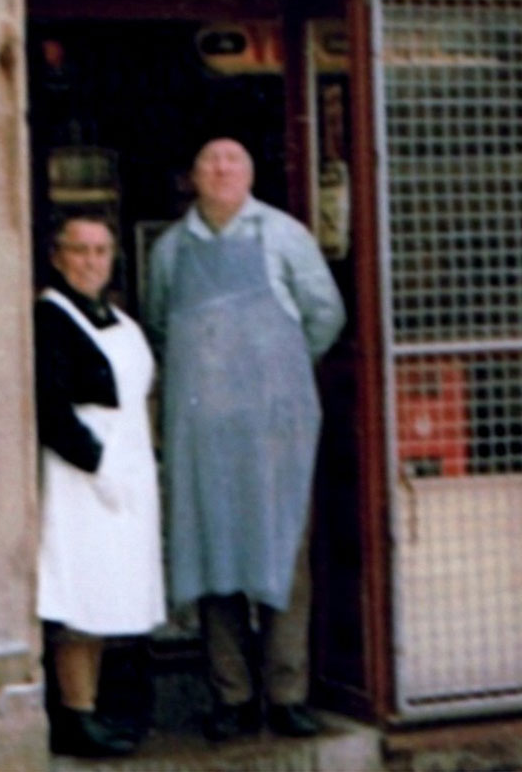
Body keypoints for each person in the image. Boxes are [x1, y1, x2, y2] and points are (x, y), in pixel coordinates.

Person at [144, 138, 347, 742]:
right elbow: (160, 326)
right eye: (210, 161)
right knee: (214, 558)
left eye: (232, 161)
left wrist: (281, 380)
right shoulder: (170, 250)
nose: (221, 169)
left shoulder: (285, 236)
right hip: (203, 434)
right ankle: (230, 696)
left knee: (283, 553)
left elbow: (326, 314)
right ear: (193, 177)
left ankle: (287, 695)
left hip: (275, 431)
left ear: (250, 174)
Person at [33, 212, 166, 758]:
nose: (90, 261)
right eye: (79, 250)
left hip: (128, 473)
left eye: (100, 251)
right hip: (78, 477)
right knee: (79, 595)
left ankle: (97, 707)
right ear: (57, 256)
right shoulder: (50, 316)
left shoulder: (119, 319)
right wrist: (98, 465)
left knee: (112, 593)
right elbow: (50, 407)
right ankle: (76, 713)